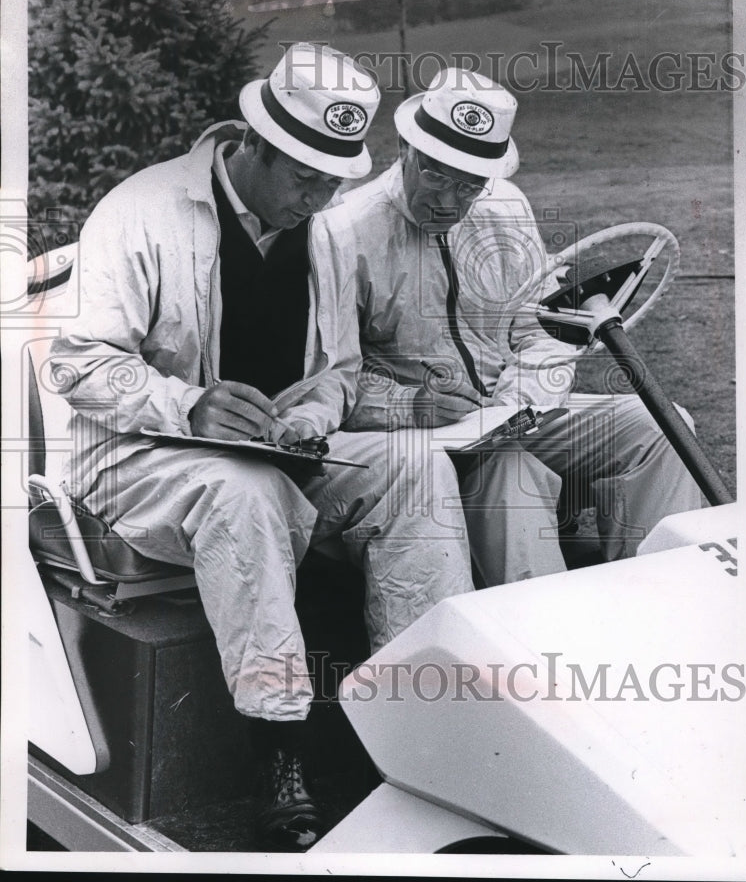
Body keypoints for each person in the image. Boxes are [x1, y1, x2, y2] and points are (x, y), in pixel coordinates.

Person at [49, 44, 475, 851]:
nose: (318, 199)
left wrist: (314, 413)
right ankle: (279, 753)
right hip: (137, 459)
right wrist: (188, 404)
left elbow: (340, 371)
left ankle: (425, 729)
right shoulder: (140, 210)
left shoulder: (320, 232)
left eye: (333, 183)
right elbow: (78, 362)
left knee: (415, 469)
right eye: (305, 179)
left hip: (277, 454)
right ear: (253, 147)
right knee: (243, 493)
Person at [316, 67, 702, 586]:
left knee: (661, 426)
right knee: (509, 471)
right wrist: (413, 404)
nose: (450, 202)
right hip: (419, 447)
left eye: (470, 184)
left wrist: (521, 398)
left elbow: (542, 326)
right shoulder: (345, 233)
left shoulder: (506, 206)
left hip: (511, 418)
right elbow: (327, 382)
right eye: (435, 174)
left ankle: (663, 602)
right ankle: (542, 649)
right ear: (404, 148)